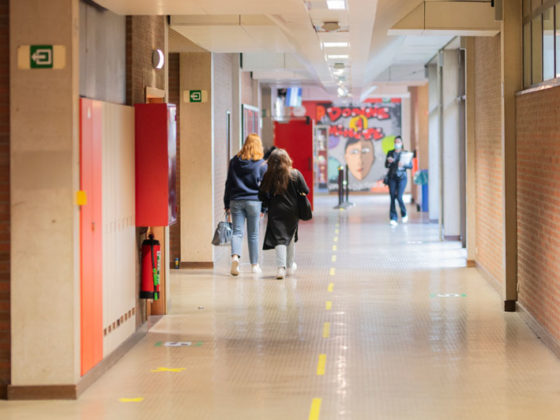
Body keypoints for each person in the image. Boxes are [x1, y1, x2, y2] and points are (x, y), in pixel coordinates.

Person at [258, 149, 309, 280]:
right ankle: (290, 266)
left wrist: (268, 202)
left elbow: (261, 195)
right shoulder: (295, 174)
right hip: (292, 212)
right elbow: (305, 190)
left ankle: (281, 268)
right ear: (287, 160)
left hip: (275, 211)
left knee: (279, 239)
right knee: (290, 237)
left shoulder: (268, 176)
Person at [224, 133, 267, 276]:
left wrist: (226, 203)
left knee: (237, 232)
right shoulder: (261, 164)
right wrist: (265, 207)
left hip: (236, 200)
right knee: (253, 235)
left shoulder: (234, 162)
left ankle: (235, 257)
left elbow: (228, 183)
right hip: (254, 201)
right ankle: (254, 265)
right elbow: (265, 187)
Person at [384, 136, 412, 226]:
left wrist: (403, 164)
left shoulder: (405, 153)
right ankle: (393, 217)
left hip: (402, 177)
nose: (397, 144)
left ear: (402, 143)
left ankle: (404, 213)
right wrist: (389, 162)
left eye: (398, 142)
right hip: (392, 177)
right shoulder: (390, 153)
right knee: (392, 197)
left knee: (399, 197)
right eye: (395, 142)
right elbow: (386, 165)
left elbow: (410, 166)